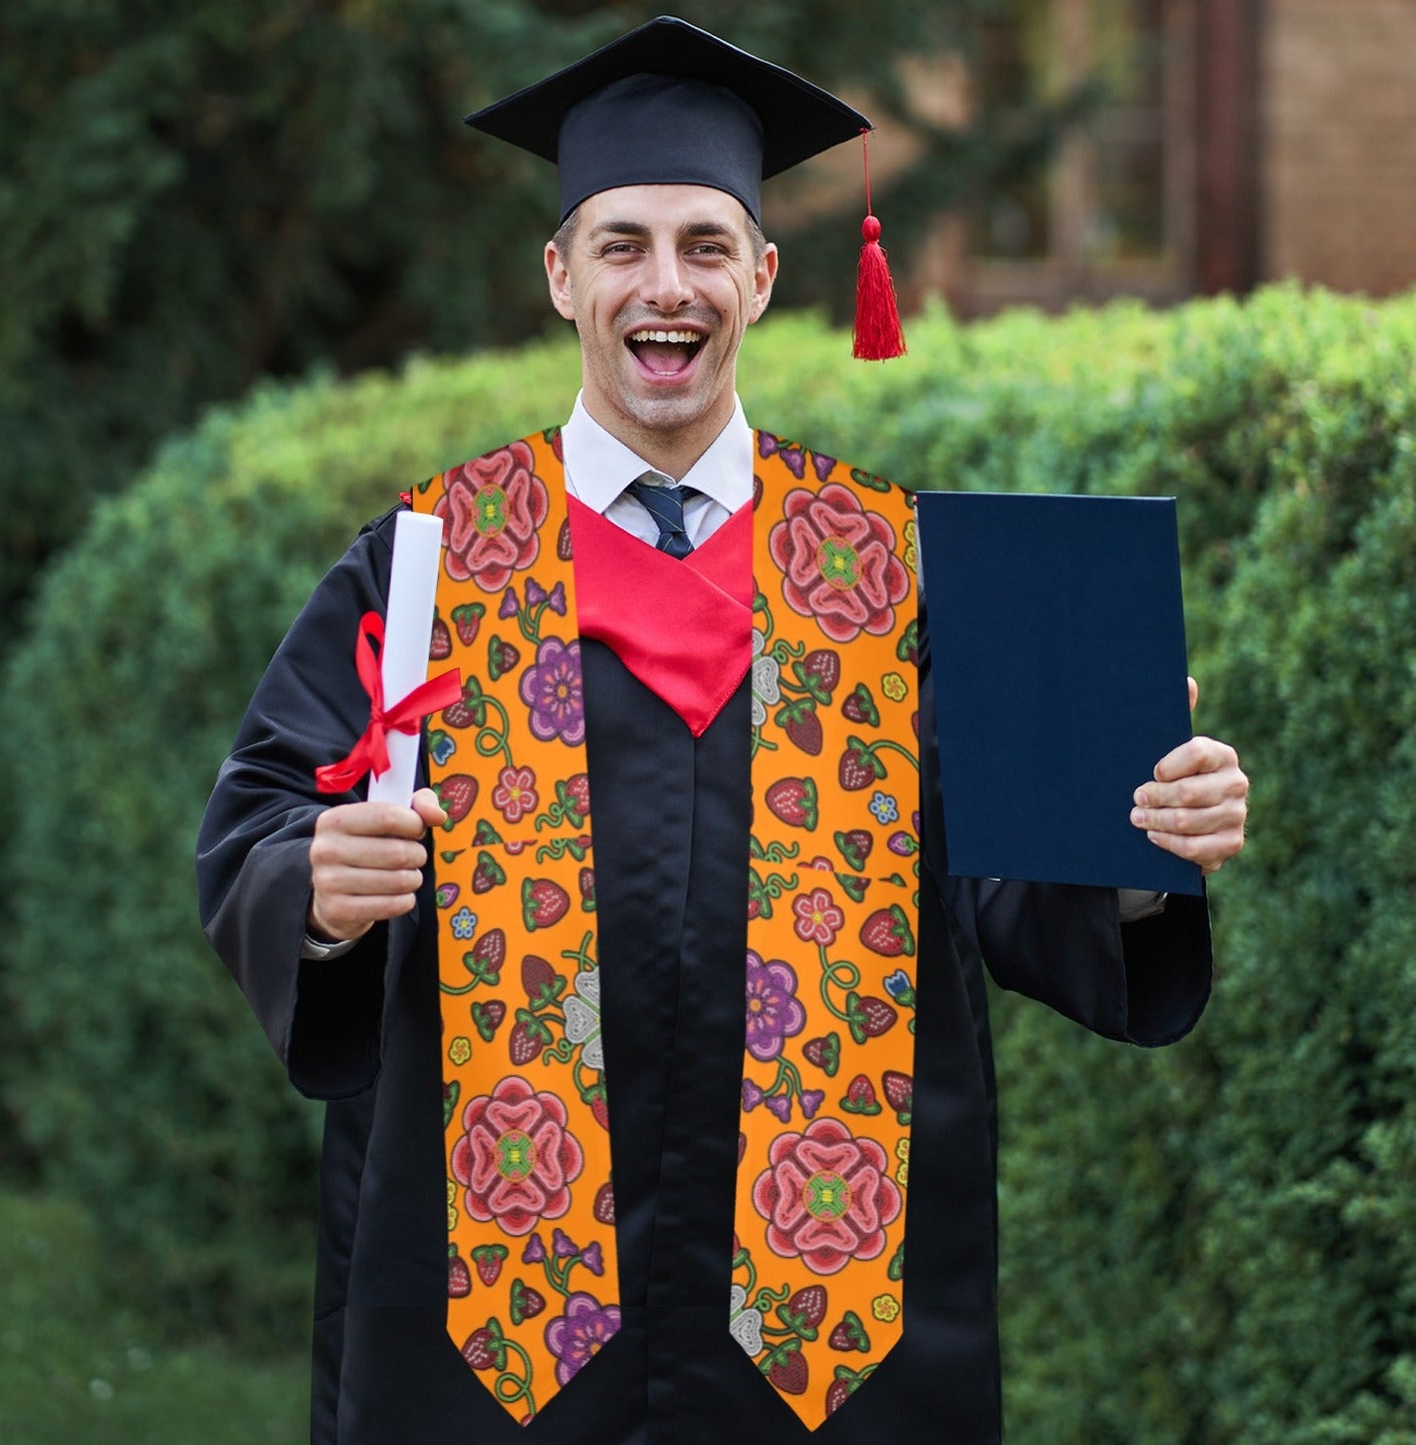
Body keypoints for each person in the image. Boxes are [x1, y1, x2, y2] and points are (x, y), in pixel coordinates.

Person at [196, 17, 1248, 1445]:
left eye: (703, 244)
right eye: (621, 244)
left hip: (831, 1323)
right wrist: (313, 888)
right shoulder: (433, 562)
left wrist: (1137, 844)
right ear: (560, 275)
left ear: (760, 275)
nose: (663, 285)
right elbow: (261, 818)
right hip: (498, 1325)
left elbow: (1011, 884)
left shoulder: (896, 571)